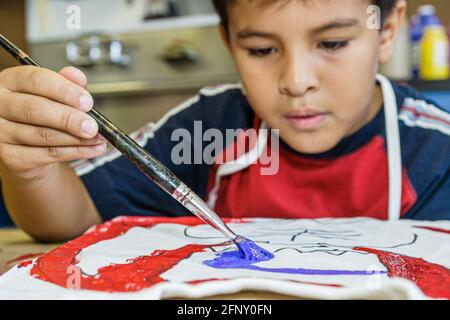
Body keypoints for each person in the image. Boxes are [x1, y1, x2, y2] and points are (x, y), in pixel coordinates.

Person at [0, 0, 448, 242]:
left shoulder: (437, 150)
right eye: (262, 50)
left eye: (332, 43)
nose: (296, 81)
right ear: (229, 42)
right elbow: (70, 219)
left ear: (386, 32)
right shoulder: (208, 127)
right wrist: (30, 168)